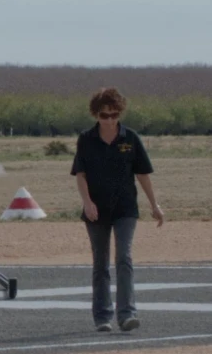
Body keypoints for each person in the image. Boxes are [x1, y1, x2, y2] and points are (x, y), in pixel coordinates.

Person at [70, 87, 164, 332]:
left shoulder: (130, 138)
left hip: (125, 209)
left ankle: (127, 314)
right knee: (100, 264)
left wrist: (154, 204)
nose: (109, 120)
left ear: (120, 113)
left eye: (114, 115)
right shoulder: (86, 139)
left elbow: (142, 174)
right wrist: (87, 202)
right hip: (96, 211)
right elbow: (80, 175)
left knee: (124, 258)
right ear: (96, 115)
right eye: (104, 115)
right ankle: (102, 316)